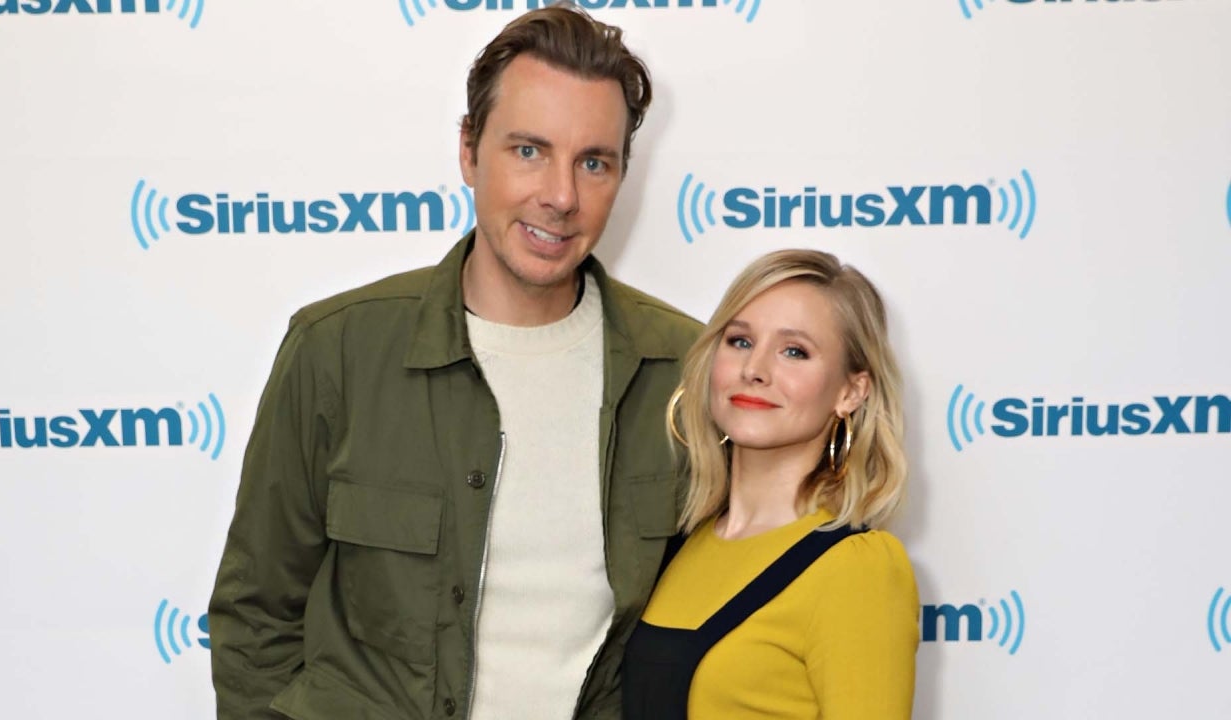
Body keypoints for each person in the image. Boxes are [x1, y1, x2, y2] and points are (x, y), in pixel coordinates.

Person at [207, 6, 700, 719]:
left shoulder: (685, 370)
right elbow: (257, 616)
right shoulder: (337, 349)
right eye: (528, 150)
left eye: (594, 162)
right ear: (469, 150)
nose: (561, 196)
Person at [622, 249, 919, 720]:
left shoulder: (858, 568)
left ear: (851, 392)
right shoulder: (681, 544)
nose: (754, 369)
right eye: (740, 341)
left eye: (794, 351)